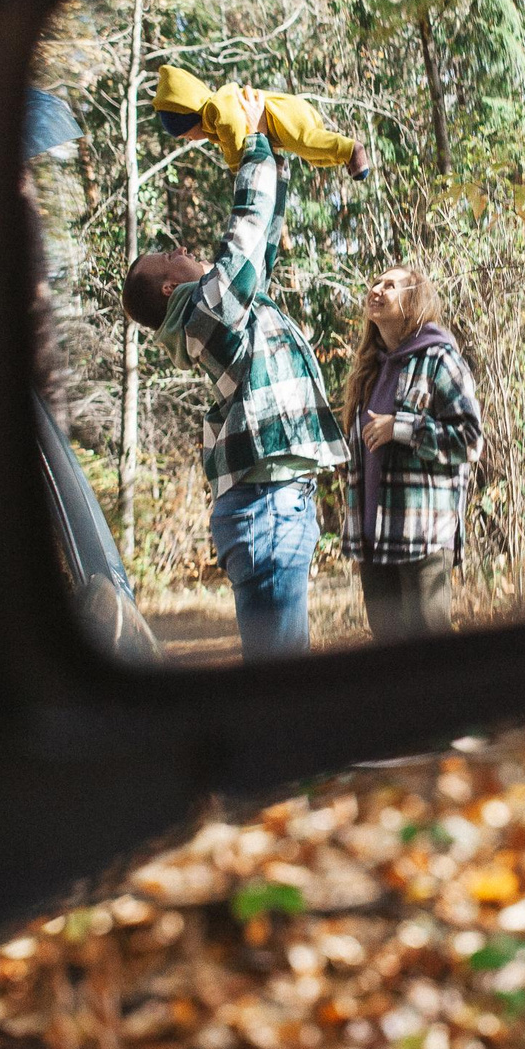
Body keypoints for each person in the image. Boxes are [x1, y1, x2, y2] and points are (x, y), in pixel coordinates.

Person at [122, 89, 350, 660]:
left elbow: (262, 244)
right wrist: (249, 147)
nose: (178, 247)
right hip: (268, 506)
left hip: (273, 501)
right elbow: (244, 234)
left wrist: (273, 148)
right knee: (281, 680)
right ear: (171, 288)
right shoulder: (201, 314)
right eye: (166, 256)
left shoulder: (222, 308)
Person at [341, 265, 483, 642]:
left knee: (430, 664)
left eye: (390, 285)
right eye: (375, 281)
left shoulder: (439, 359)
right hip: (374, 541)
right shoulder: (368, 370)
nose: (377, 288)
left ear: (413, 300)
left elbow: (470, 440)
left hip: (422, 538)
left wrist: (401, 428)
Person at [153, 62, 372, 179]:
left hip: (286, 116)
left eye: (186, 135)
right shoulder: (213, 125)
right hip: (280, 128)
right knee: (313, 154)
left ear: (189, 119)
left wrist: (237, 165)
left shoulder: (217, 108)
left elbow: (233, 128)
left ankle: (352, 150)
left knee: (307, 141)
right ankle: (345, 158)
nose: (190, 140)